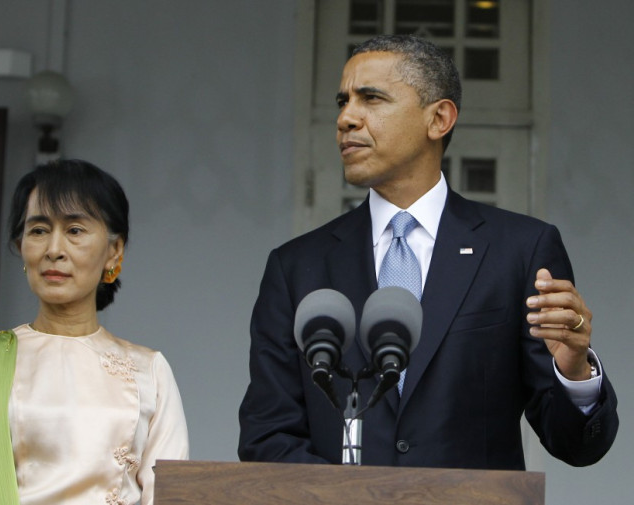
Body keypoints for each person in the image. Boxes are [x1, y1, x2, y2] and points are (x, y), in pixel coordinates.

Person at [238, 35, 618, 469]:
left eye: (371, 98)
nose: (345, 118)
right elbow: (267, 438)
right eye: (343, 101)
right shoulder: (296, 268)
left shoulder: (520, 250)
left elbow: (577, 445)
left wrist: (573, 369)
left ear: (439, 118)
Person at [0, 159, 189, 504]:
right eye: (39, 230)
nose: (54, 250)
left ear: (114, 251)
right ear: (21, 246)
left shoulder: (150, 371)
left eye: (75, 231)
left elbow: (167, 496)